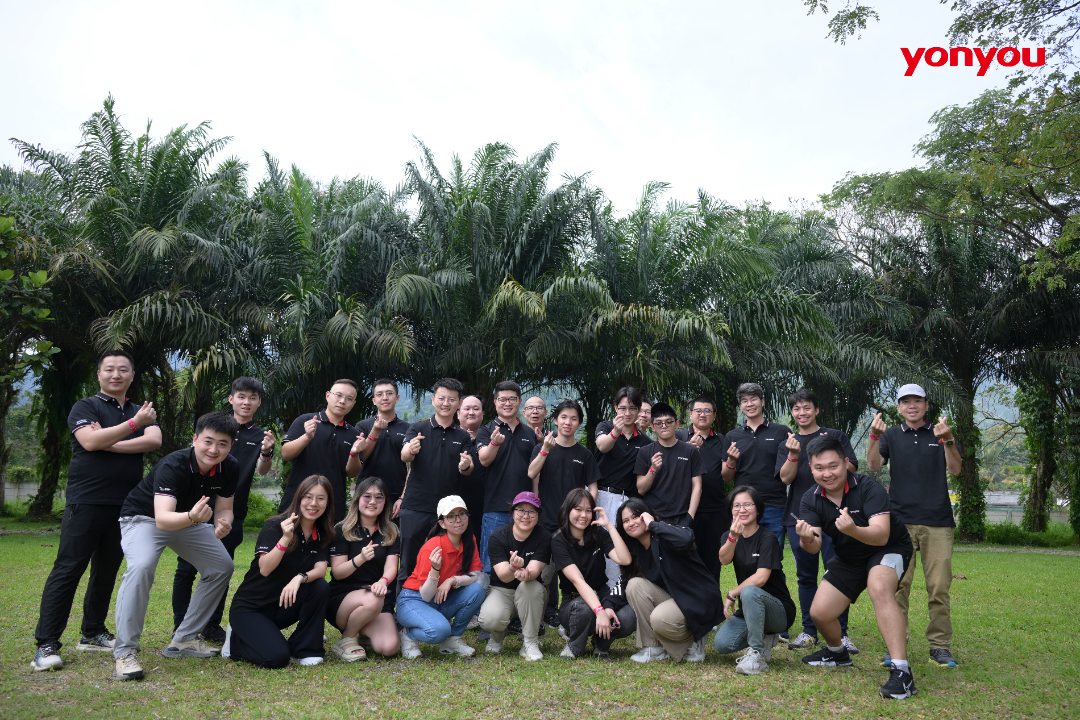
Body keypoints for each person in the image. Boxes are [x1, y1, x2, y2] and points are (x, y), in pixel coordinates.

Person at [32, 350, 162, 672]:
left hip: (126, 506)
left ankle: (92, 633)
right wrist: (133, 426)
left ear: (132, 375)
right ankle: (47, 643)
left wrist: (110, 441)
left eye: (123, 370)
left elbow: (154, 441)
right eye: (109, 369)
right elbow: (89, 442)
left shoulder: (140, 409)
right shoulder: (86, 406)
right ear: (99, 374)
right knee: (68, 569)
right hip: (87, 501)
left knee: (106, 571)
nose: (116, 375)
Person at [111, 412, 240, 681]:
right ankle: (125, 652)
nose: (213, 450)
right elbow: (163, 519)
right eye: (208, 441)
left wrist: (223, 524)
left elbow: (225, 508)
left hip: (188, 520)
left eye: (222, 444)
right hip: (144, 519)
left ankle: (184, 639)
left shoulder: (230, 467)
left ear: (230, 446)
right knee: (141, 566)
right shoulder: (174, 464)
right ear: (195, 439)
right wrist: (193, 516)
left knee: (221, 566)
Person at [796, 435, 917, 700]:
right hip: (849, 557)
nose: (827, 473)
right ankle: (837, 653)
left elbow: (881, 535)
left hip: (888, 548)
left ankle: (902, 672)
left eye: (833, 466)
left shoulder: (869, 488)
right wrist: (807, 539)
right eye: (819, 468)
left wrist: (853, 530)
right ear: (811, 468)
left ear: (846, 463)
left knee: (879, 587)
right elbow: (814, 546)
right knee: (819, 613)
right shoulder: (810, 499)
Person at [172, 376, 274, 645]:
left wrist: (266, 452)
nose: (246, 402)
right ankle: (180, 624)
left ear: (259, 402)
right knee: (186, 569)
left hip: (231, 512)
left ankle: (211, 624)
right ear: (231, 399)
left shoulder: (261, 435)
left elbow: (263, 471)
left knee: (222, 568)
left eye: (252, 398)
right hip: (197, 507)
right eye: (241, 396)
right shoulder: (214, 427)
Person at [867, 383, 962, 668]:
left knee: (939, 588)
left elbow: (956, 469)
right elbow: (873, 466)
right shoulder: (891, 435)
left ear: (926, 405)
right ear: (898, 407)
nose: (912, 406)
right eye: (906, 401)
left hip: (938, 522)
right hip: (899, 522)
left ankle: (940, 647)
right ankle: (896, 645)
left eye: (917, 401)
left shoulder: (940, 433)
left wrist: (948, 440)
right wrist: (874, 436)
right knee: (898, 587)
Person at [776, 388, 859, 653]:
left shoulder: (835, 436)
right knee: (806, 575)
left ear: (817, 410)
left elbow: (852, 468)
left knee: (838, 573)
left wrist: (831, 449)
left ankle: (842, 633)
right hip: (799, 516)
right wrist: (793, 454)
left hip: (836, 515)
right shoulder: (788, 442)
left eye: (807, 407)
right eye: (797, 409)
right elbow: (785, 478)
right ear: (792, 413)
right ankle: (809, 631)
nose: (802, 413)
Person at [225, 475, 334, 668]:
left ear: (328, 503)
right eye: (308, 497)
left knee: (320, 587)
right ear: (299, 498)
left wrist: (299, 578)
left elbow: (320, 570)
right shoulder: (275, 526)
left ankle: (304, 648)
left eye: (320, 498)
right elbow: (265, 569)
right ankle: (235, 643)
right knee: (277, 658)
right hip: (251, 608)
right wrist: (285, 538)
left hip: (283, 605)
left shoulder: (323, 533)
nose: (313, 503)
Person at [618, 498, 723, 663]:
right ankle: (653, 647)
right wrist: (606, 607)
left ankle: (695, 640)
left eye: (635, 516)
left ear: (646, 515)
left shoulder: (664, 533)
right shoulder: (635, 549)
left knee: (659, 618)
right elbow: (624, 582)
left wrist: (654, 525)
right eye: (625, 521)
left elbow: (687, 538)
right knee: (634, 584)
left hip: (696, 598)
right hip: (675, 598)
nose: (631, 523)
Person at [396, 379, 475, 593]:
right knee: (408, 561)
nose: (446, 403)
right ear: (433, 400)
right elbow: (404, 456)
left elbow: (468, 468)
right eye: (441, 398)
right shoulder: (418, 428)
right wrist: (411, 449)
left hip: (447, 511)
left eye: (452, 399)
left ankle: (437, 603)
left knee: (444, 561)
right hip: (415, 505)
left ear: (459, 403)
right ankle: (403, 606)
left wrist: (466, 465)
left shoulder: (462, 435)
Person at [529, 399, 600, 626]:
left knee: (573, 577)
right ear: (556, 420)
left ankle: (572, 621)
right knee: (542, 575)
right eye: (564, 417)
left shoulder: (585, 454)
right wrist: (545, 449)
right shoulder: (543, 448)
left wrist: (585, 514)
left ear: (579, 423)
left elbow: (593, 488)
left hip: (573, 527)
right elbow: (531, 473)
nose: (568, 422)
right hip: (546, 521)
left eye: (574, 418)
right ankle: (537, 623)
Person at [713, 486, 796, 675]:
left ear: (757, 509)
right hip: (749, 609)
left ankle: (757, 654)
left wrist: (732, 594)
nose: (741, 510)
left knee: (749, 590)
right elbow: (724, 560)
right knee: (722, 644)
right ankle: (766, 636)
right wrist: (733, 537)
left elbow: (761, 577)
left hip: (779, 610)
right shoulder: (729, 536)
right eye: (736, 506)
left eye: (747, 505)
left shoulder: (768, 537)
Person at [550, 489, 636, 658]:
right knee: (583, 609)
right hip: (573, 601)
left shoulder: (598, 534)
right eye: (578, 509)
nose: (584, 515)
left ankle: (601, 643)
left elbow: (625, 560)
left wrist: (609, 525)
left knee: (628, 616)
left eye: (588, 510)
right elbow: (578, 581)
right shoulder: (559, 542)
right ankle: (575, 646)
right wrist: (600, 611)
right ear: (567, 510)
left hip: (602, 594)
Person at [397, 495, 485, 658]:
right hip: (413, 600)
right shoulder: (432, 546)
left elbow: (476, 576)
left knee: (477, 590)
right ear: (442, 523)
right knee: (439, 631)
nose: (458, 520)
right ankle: (408, 635)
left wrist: (452, 580)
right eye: (451, 516)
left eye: (461, 513)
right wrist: (435, 569)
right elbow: (426, 595)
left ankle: (453, 638)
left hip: (440, 599)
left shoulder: (469, 540)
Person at [326, 476, 401, 661]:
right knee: (374, 598)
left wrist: (383, 581)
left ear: (385, 502)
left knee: (389, 648)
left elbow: (391, 567)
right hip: (343, 599)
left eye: (379, 497)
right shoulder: (342, 530)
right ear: (357, 499)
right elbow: (337, 573)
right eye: (367, 496)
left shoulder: (391, 532)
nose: (373, 501)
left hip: (376, 597)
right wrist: (360, 559)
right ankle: (347, 638)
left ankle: (361, 631)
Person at [477, 492, 551, 660]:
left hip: (528, 590)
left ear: (538, 515)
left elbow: (534, 570)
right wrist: (512, 567)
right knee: (489, 619)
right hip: (501, 590)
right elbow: (504, 576)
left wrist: (526, 574)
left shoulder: (544, 537)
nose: (526, 516)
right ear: (512, 512)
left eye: (532, 511)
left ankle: (530, 642)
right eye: (521, 510)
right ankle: (497, 636)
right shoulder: (497, 537)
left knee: (530, 587)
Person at [474, 381, 538, 574]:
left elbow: (535, 471)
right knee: (490, 563)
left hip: (526, 509)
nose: (507, 403)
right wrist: (494, 443)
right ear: (495, 402)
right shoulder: (486, 430)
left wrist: (536, 500)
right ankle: (488, 593)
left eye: (512, 399)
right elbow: (484, 460)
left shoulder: (529, 432)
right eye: (503, 399)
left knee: (524, 561)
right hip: (496, 507)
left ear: (519, 401)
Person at [279, 379, 363, 523]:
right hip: (298, 500)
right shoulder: (305, 421)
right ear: (328, 395)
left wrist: (354, 454)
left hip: (332, 505)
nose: (342, 401)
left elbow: (352, 473)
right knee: (290, 536)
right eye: (338, 395)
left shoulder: (353, 434)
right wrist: (307, 437)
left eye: (349, 398)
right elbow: (286, 454)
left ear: (353, 403)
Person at [593, 387, 651, 590]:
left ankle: (615, 594)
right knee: (597, 545)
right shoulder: (605, 426)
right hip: (601, 495)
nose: (627, 413)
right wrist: (615, 432)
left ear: (638, 410)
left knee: (620, 547)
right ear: (616, 408)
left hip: (626, 502)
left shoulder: (645, 441)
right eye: (623, 408)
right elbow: (602, 446)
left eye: (633, 408)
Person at [721, 382, 792, 543]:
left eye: (753, 399)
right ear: (740, 406)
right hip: (742, 507)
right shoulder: (732, 436)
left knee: (773, 554)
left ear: (762, 401)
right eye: (744, 401)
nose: (749, 404)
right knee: (742, 554)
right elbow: (726, 477)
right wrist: (731, 460)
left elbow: (790, 471)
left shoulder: (781, 431)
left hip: (774, 505)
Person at [676, 396, 728, 581]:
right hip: (686, 509)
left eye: (707, 411)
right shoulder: (679, 437)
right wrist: (688, 450)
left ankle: (712, 598)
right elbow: (672, 469)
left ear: (714, 415)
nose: (702, 414)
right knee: (687, 559)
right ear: (690, 414)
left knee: (713, 560)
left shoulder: (721, 439)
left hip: (716, 509)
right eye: (698, 411)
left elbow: (726, 474)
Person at [634, 402, 703, 527]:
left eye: (669, 422)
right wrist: (652, 469)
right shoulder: (645, 451)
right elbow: (641, 490)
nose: (664, 426)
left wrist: (690, 517)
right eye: (659, 423)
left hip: (681, 516)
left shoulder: (690, 451)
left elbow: (697, 486)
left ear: (677, 424)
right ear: (652, 427)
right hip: (653, 516)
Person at [356, 379, 411, 517]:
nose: (385, 397)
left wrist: (403, 497)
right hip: (366, 494)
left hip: (396, 496)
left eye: (389, 393)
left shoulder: (408, 428)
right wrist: (375, 431)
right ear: (374, 400)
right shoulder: (363, 426)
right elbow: (359, 459)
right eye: (379, 394)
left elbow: (413, 467)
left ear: (397, 398)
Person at [456, 395, 487, 527]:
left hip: (484, 507)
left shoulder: (490, 440)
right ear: (458, 413)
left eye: (476, 409)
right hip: (453, 506)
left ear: (483, 414)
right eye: (467, 408)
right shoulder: (448, 437)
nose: (471, 412)